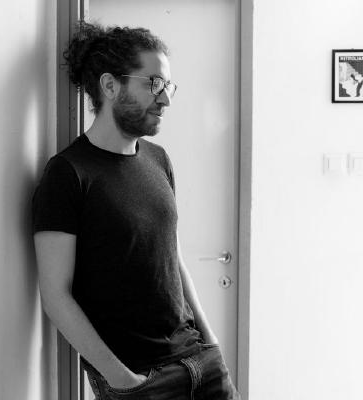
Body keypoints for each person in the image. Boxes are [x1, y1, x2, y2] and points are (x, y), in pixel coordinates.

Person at [32, 21, 240, 400]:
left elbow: (174, 260)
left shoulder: (159, 159)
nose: (166, 99)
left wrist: (211, 345)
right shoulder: (68, 173)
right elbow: (55, 295)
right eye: (154, 84)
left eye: (168, 86)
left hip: (201, 362)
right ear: (110, 86)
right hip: (140, 380)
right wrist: (121, 377)